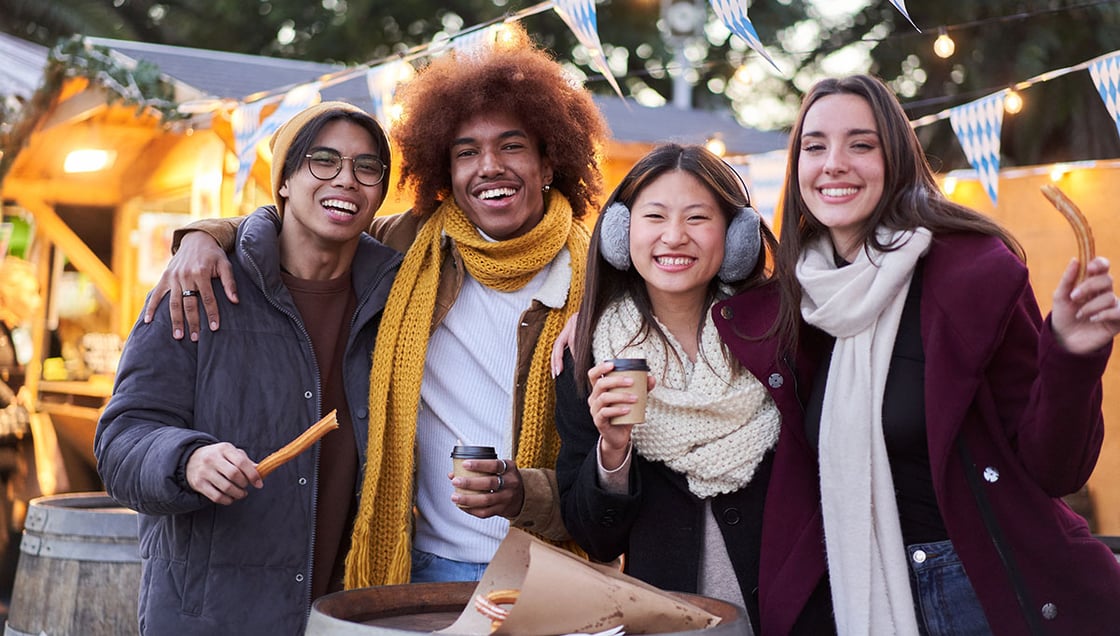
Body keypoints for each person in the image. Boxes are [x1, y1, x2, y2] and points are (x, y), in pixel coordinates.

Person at [141, 25, 608, 588]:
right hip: (424, 567)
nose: (489, 167)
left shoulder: (604, 275)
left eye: (511, 146)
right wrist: (202, 235)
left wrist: (524, 492)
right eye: (466, 153)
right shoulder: (411, 248)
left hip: (555, 569)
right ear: (446, 173)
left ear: (549, 162)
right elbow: (307, 223)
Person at [770, 73, 1120, 635]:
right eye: (815, 146)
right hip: (863, 592)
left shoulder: (972, 272)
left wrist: (1072, 357)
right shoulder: (797, 302)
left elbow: (1056, 468)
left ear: (897, 160)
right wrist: (585, 325)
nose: (833, 163)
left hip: (981, 588)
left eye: (861, 144)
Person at [95, 102, 401, 634]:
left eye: (366, 167)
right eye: (323, 161)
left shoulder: (397, 296)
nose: (346, 180)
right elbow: (120, 442)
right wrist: (187, 459)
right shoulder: (199, 284)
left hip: (349, 614)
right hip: (215, 614)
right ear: (282, 181)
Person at [554, 144, 834, 635]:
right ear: (621, 233)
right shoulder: (589, 352)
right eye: (655, 216)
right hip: (667, 623)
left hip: (796, 614)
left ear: (737, 234)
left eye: (698, 217)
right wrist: (613, 450)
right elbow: (595, 538)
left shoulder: (783, 332)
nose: (674, 236)